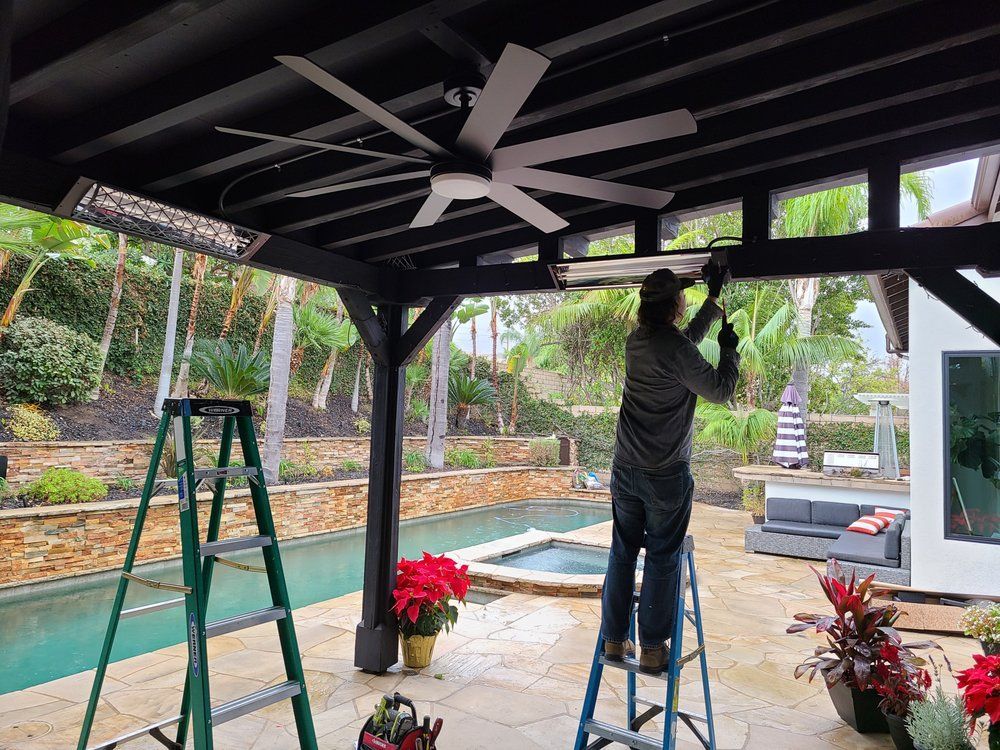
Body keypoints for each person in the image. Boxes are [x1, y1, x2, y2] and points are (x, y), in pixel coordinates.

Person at [601, 262, 740, 675]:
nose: (685, 297)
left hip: (625, 468)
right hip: (664, 475)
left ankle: (613, 639)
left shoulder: (636, 341)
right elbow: (720, 390)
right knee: (662, 557)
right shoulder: (674, 348)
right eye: (683, 293)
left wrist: (713, 304)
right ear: (675, 304)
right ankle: (652, 648)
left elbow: (680, 347)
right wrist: (729, 350)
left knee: (623, 553)